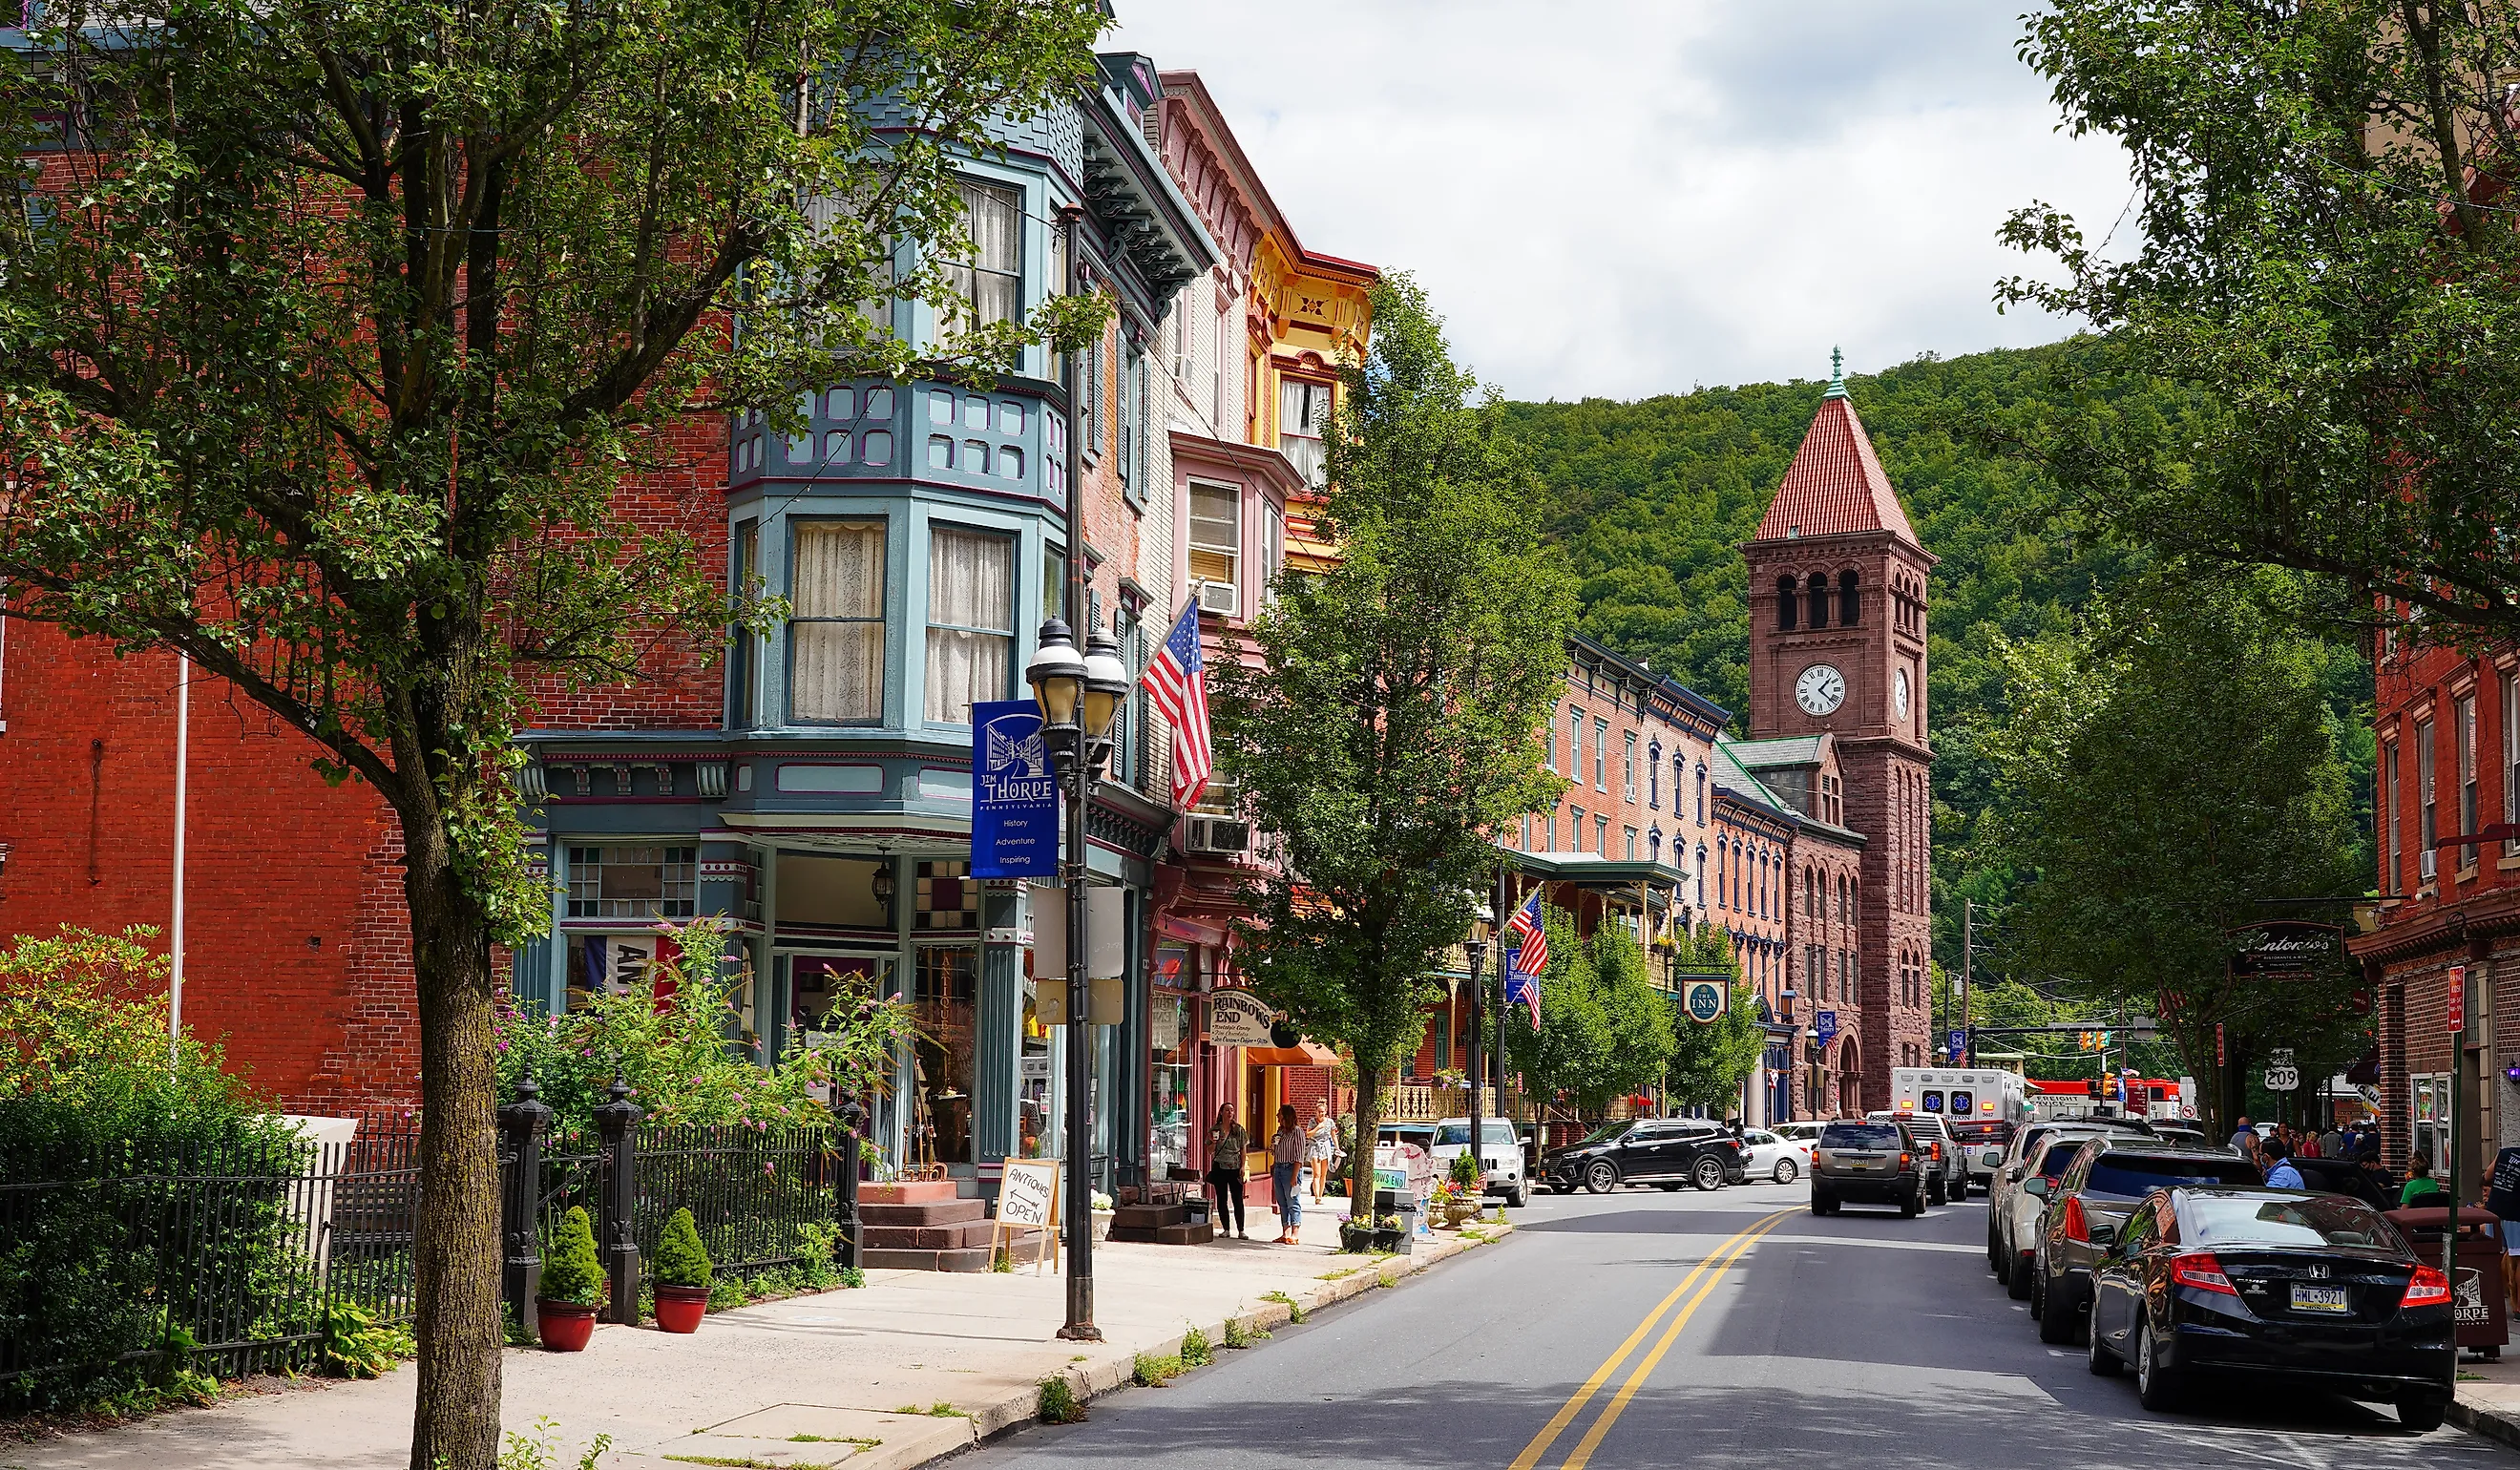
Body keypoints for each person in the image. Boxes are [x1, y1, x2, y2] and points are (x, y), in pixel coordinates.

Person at [1208, 1103, 1250, 1240]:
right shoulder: (1215, 1130)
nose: (1229, 1113)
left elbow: (1243, 1149)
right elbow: (1209, 1151)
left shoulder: (1238, 1130)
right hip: (1220, 1166)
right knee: (1221, 1199)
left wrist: (1243, 1166)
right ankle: (1226, 1228)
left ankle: (1241, 1230)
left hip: (1235, 1166)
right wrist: (1214, 1142)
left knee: (1237, 1199)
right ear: (1221, 1113)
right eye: (1227, 1110)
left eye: (1232, 1110)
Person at [1270, 1105, 1307, 1245]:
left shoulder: (1297, 1132)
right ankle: (1285, 1233)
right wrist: (1273, 1145)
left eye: (1279, 1114)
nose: (1277, 1116)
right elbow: (1275, 1152)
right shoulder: (1280, 1132)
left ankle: (1295, 1234)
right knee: (1282, 1202)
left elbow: (1299, 1156)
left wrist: (1294, 1176)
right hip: (1279, 1167)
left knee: (1293, 1201)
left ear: (1286, 1116)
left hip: (1290, 1168)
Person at [1306, 1101, 1337, 1203]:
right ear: (1316, 1112)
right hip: (1315, 1147)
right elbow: (1308, 1135)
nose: (1321, 1114)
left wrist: (1337, 1148)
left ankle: (1320, 1194)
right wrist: (1317, 1128)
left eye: (1323, 1112)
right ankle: (1316, 1197)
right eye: (1319, 1111)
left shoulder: (1330, 1122)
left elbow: (1333, 1135)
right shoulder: (1312, 1121)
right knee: (1316, 1174)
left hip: (1325, 1148)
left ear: (1326, 1111)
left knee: (1324, 1174)